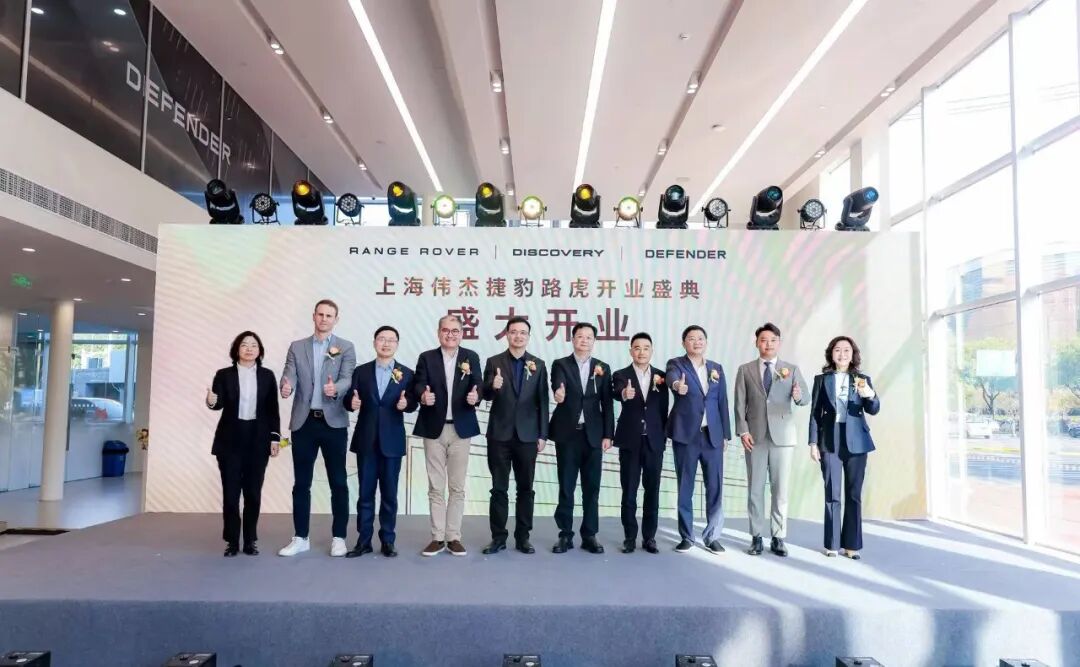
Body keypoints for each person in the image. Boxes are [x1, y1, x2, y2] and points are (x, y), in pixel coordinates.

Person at [278, 299, 357, 557]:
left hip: (333, 421)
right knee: (301, 483)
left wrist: (337, 388)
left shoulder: (345, 347)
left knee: (338, 482)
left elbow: (347, 377)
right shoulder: (297, 346)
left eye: (329, 315)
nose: (324, 319)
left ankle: (339, 537)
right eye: (320, 314)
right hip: (304, 422)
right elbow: (289, 373)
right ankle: (301, 537)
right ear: (313, 316)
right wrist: (286, 386)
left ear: (336, 319)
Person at [733, 323, 809, 557]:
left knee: (780, 490)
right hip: (754, 437)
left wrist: (798, 395)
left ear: (779, 342)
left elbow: (805, 398)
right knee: (755, 489)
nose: (768, 344)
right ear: (757, 342)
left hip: (782, 437)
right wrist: (743, 431)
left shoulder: (791, 369)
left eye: (773, 340)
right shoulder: (745, 370)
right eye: (764, 340)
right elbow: (739, 403)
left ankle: (778, 537)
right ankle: (756, 537)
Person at [343, 326, 417, 558]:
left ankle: (388, 540)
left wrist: (406, 405)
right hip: (366, 441)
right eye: (381, 339)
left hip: (392, 443)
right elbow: (349, 398)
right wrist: (351, 403)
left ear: (397, 344)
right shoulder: (361, 371)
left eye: (391, 340)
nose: (386, 343)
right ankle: (363, 541)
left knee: (389, 495)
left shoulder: (407, 373)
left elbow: (413, 402)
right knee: (365, 495)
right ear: (374, 342)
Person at [412, 315, 483, 557]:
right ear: (439, 332)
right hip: (433, 428)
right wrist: (423, 396)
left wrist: (476, 397)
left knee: (457, 486)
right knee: (435, 486)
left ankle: (453, 537)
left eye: (455, 331)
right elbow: (418, 383)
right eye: (445, 330)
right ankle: (437, 537)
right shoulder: (427, 357)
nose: (450, 334)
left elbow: (478, 384)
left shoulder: (471, 357)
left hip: (461, 429)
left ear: (461, 333)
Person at [206, 331, 280, 557]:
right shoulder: (224, 374)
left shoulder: (267, 376)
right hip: (230, 440)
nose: (249, 349)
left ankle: (249, 540)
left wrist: (275, 437)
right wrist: (211, 401)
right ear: (236, 349)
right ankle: (231, 541)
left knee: (253, 494)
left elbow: (273, 409)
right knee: (231, 495)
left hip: (258, 439)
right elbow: (217, 404)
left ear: (260, 351)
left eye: (254, 345)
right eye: (244, 345)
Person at [808, 335, 881, 560]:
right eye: (837, 350)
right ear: (831, 354)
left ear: (853, 354)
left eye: (846, 350)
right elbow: (815, 413)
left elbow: (873, 409)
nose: (842, 354)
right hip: (829, 439)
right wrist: (813, 443)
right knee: (832, 494)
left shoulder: (862, 379)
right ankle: (832, 544)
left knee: (853, 494)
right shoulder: (822, 380)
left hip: (857, 441)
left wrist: (869, 394)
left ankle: (852, 545)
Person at [481, 316, 549, 555]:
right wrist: (493, 386)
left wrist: (543, 434)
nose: (518, 336)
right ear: (507, 335)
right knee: (498, 489)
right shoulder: (494, 362)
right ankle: (498, 537)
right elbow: (485, 395)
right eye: (513, 332)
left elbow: (543, 401)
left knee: (526, 489)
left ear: (528, 337)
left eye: (523, 332)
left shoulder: (538, 364)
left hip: (528, 436)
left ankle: (523, 537)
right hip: (499, 435)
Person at [549, 323, 614, 554]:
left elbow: (607, 404)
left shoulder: (602, 368)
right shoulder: (560, 364)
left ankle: (590, 535)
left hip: (593, 435)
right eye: (580, 336)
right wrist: (559, 393)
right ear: (573, 339)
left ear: (594, 341)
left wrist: (608, 434)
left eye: (588, 337)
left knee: (592, 487)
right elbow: (557, 385)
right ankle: (565, 535)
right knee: (566, 486)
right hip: (568, 434)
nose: (584, 340)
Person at [666, 325, 731, 554]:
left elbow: (722, 402)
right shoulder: (676, 364)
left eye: (700, 338)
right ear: (684, 343)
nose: (697, 342)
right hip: (686, 436)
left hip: (712, 436)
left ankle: (712, 536)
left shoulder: (716, 368)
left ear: (706, 342)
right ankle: (687, 536)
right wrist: (678, 386)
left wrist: (725, 435)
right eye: (691, 338)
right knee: (685, 487)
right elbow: (672, 379)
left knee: (715, 486)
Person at [611, 332, 668, 554]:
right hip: (630, 441)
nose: (641, 352)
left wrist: (663, 436)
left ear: (651, 351)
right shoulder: (620, 375)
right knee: (629, 491)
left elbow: (663, 409)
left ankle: (649, 537)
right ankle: (629, 537)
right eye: (637, 348)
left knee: (652, 491)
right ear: (631, 351)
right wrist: (625, 393)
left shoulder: (662, 377)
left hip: (654, 442)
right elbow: (617, 392)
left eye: (646, 348)